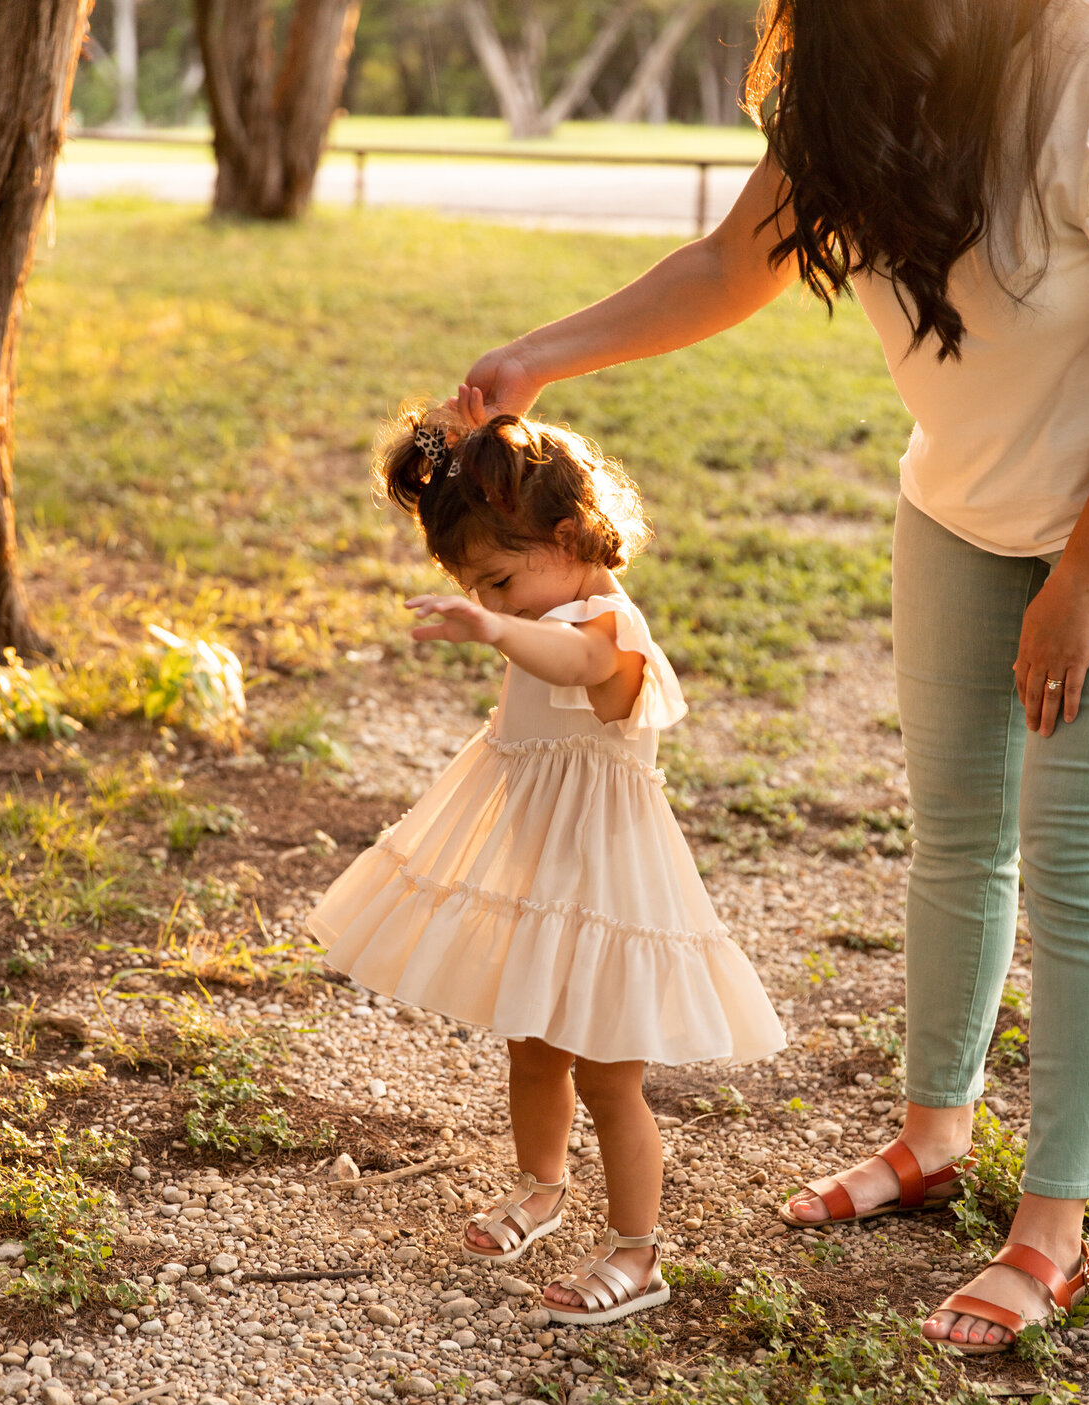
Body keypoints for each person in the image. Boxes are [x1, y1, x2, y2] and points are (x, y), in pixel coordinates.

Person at [461, 0, 1089, 1355]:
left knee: (1080, 869)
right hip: (961, 507)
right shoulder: (859, 68)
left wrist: (1084, 583)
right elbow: (734, 264)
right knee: (956, 836)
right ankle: (932, 1138)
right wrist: (540, 357)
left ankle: (1054, 1229)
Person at [307, 398, 786, 1326]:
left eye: (497, 580)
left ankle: (639, 1253)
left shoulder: (610, 631)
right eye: (478, 592)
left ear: (569, 538)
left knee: (610, 1078)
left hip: (608, 888)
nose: (490, 603)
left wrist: (493, 630)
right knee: (532, 1047)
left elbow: (570, 665)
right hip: (543, 878)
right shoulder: (547, 601)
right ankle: (541, 1185)